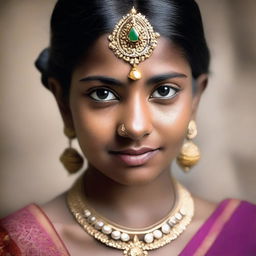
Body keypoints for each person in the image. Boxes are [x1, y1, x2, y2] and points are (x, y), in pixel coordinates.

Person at [0, 0, 255, 255]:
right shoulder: (16, 245)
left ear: (195, 100)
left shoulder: (247, 235)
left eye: (164, 91)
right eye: (102, 94)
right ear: (63, 103)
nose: (134, 127)